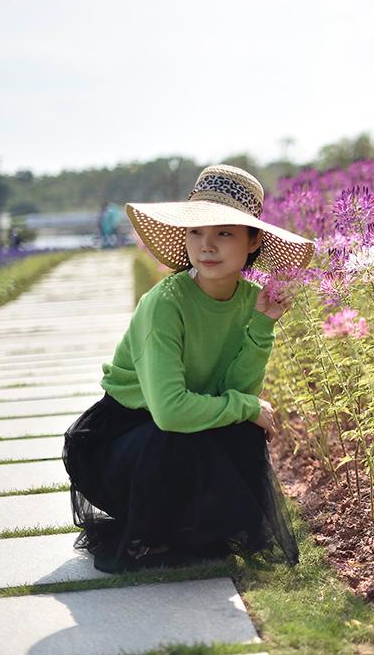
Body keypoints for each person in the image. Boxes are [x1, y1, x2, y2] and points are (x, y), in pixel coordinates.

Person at [62, 164, 315, 574]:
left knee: (242, 427)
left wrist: (263, 325)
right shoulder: (165, 303)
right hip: (123, 441)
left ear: (253, 241)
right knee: (190, 431)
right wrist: (249, 407)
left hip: (176, 431)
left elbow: (237, 389)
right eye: (196, 232)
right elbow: (170, 412)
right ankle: (156, 531)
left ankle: (190, 528)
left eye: (224, 233)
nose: (207, 246)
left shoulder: (252, 300)